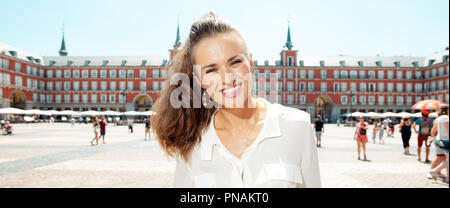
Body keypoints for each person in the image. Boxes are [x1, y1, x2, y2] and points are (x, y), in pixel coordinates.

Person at [151, 13, 320, 188]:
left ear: (251, 62)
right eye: (211, 70)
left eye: (235, 62)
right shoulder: (191, 143)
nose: (227, 78)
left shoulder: (297, 127)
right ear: (199, 79)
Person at [428, 104, 449, 183]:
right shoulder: (445, 118)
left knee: (443, 158)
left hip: (439, 140)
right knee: (441, 158)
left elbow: (433, 131)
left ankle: (445, 177)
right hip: (445, 140)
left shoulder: (437, 119)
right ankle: (433, 172)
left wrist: (433, 139)